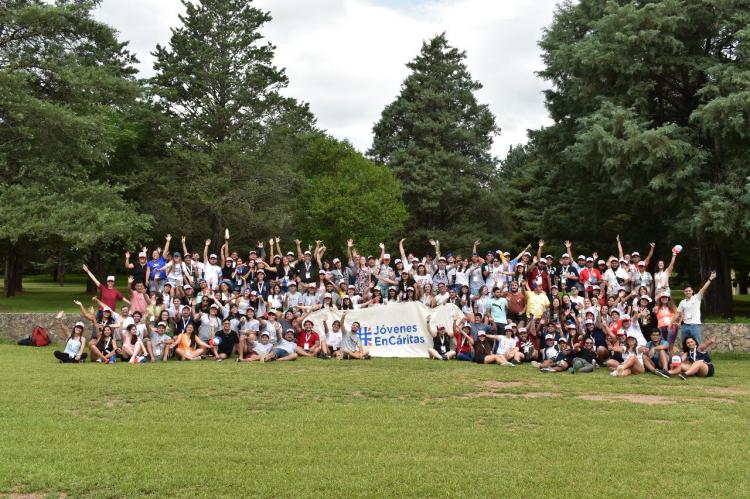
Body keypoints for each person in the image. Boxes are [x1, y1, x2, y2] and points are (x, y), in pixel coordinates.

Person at [677, 271, 716, 343]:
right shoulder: (682, 302)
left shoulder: (697, 297)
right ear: (684, 292)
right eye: (686, 291)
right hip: (685, 326)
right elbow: (678, 313)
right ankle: (687, 354)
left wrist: (710, 279)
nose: (688, 292)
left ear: (692, 291)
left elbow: (703, 288)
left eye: (689, 291)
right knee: (684, 344)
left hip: (695, 326)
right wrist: (674, 322)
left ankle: (697, 354)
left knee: (697, 344)